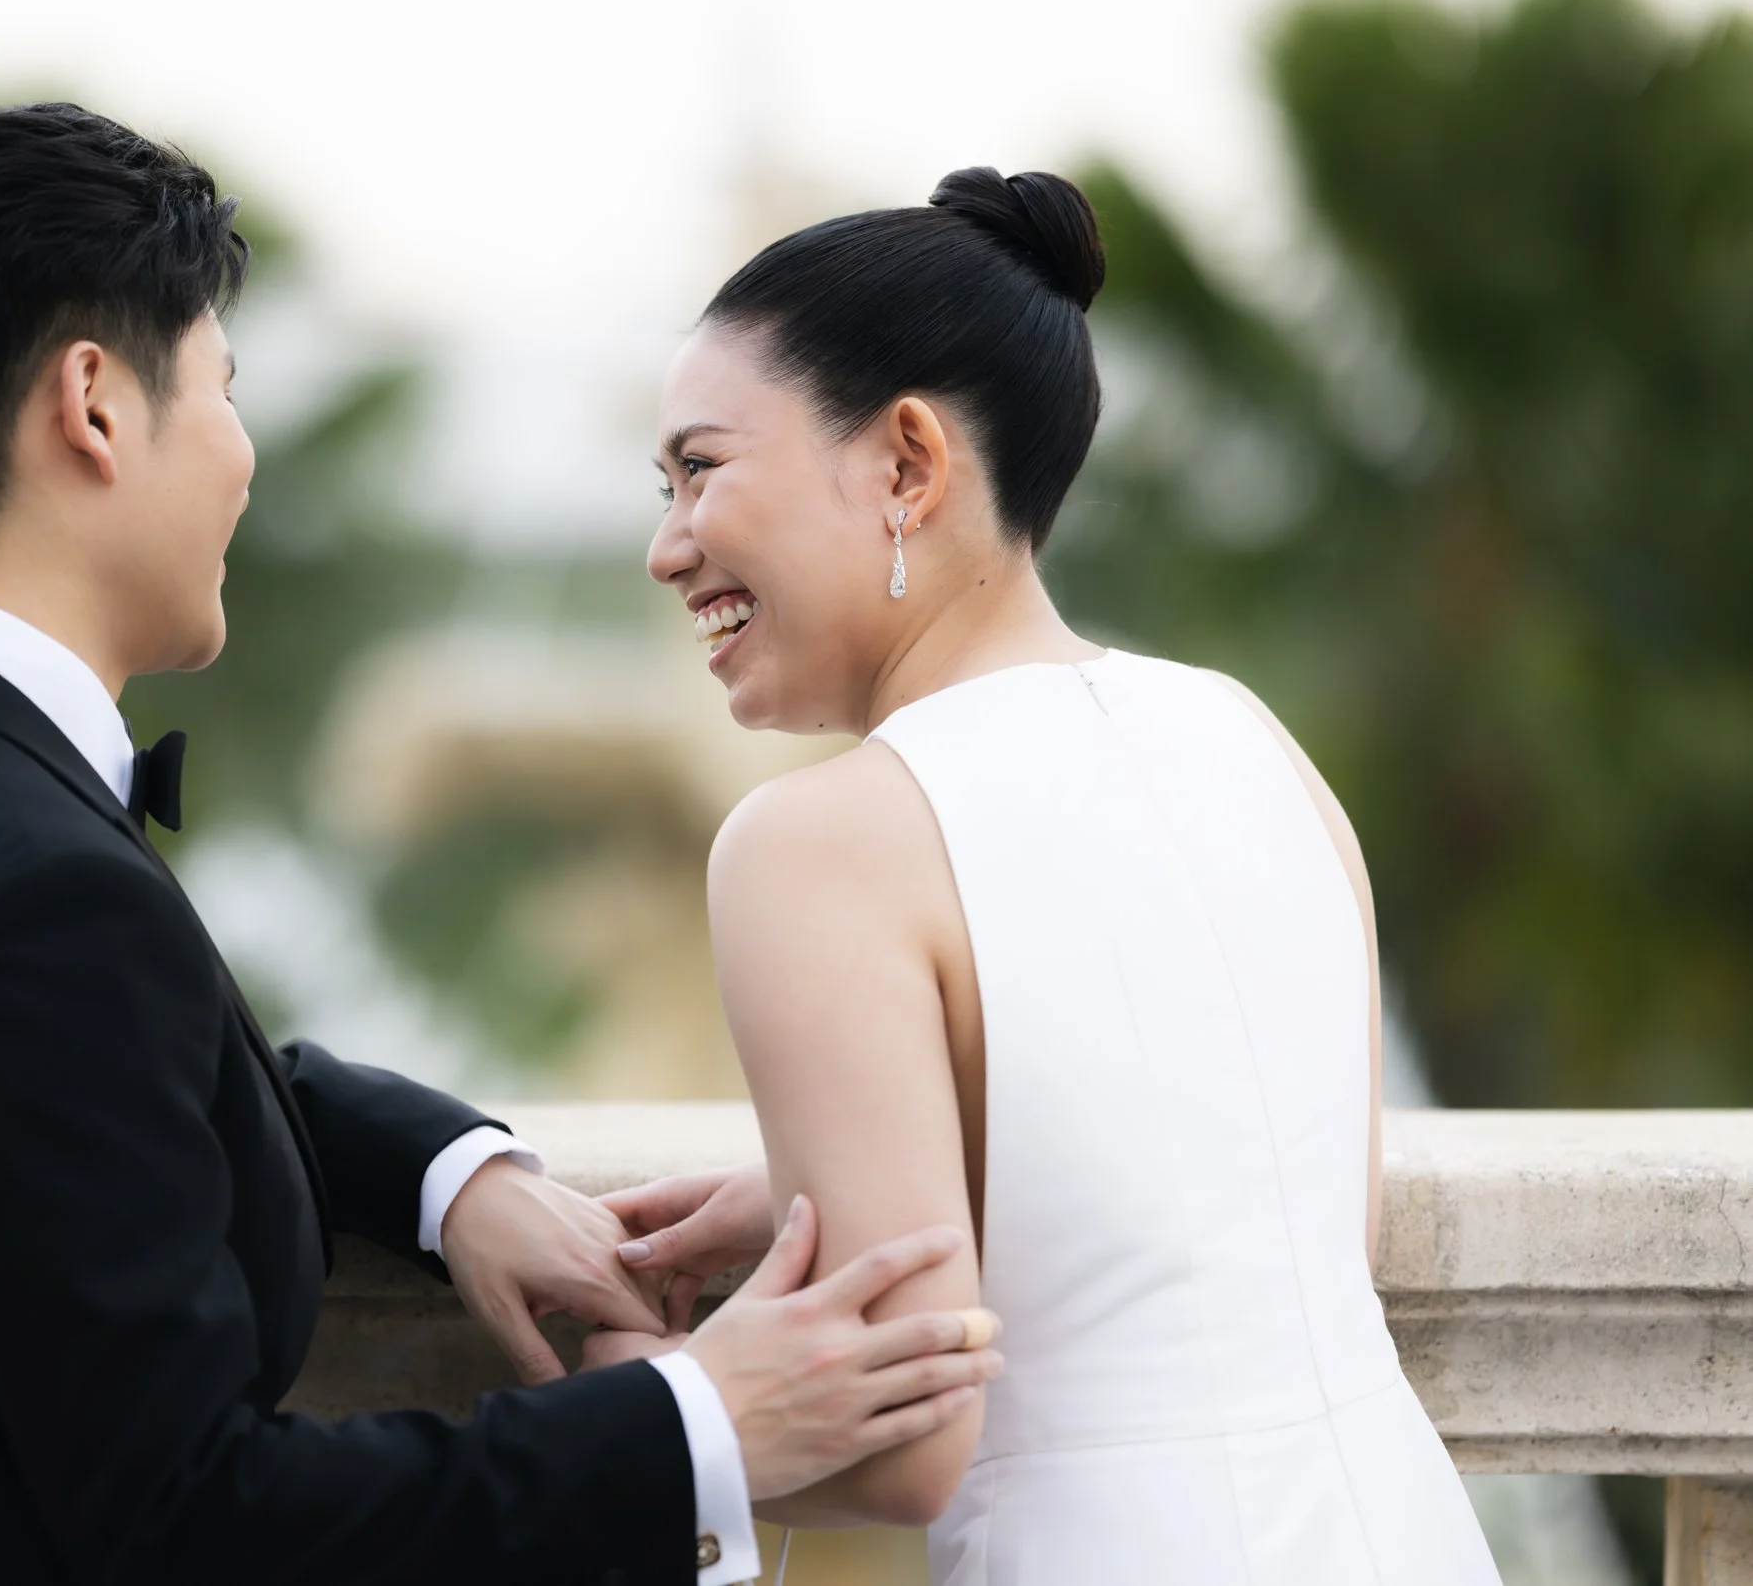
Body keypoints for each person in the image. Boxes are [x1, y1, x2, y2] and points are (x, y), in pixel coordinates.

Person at [0, 103, 1003, 1586]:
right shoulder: (28, 895)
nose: (241, 459)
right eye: (222, 389)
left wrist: (450, 1176)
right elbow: (201, 1525)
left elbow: (68, 1101)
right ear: (93, 407)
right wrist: (698, 1423)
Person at [589, 170, 1504, 1584]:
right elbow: (1287, 1218)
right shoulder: (1253, 739)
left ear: (907, 464)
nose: (667, 547)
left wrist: (618, 1397)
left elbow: (905, 1444)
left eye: (700, 470)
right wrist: (856, 1165)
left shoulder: (812, 846)